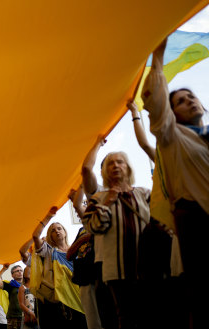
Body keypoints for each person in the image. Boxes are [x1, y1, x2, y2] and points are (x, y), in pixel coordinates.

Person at [143, 37, 209, 329]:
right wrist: (157, 55)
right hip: (199, 228)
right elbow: (156, 104)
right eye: (179, 101)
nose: (188, 101)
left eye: (191, 96)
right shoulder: (172, 139)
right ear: (173, 115)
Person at [82, 151, 150, 329]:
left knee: (150, 313)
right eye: (110, 163)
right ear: (104, 172)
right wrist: (108, 202)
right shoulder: (98, 199)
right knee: (125, 317)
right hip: (117, 269)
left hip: (148, 266)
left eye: (120, 162)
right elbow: (95, 227)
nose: (116, 166)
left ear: (128, 168)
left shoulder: (145, 194)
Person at [31, 207, 86, 329]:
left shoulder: (78, 249)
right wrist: (48, 217)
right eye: (53, 230)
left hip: (81, 295)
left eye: (59, 228)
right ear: (50, 235)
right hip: (60, 302)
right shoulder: (49, 251)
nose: (57, 231)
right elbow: (35, 236)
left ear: (65, 232)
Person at [0, 264, 23, 329]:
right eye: (17, 271)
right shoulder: (10, 285)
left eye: (21, 270)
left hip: (27, 316)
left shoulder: (28, 284)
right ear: (12, 275)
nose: (20, 272)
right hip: (14, 317)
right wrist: (4, 269)